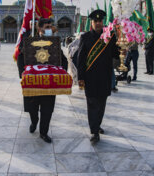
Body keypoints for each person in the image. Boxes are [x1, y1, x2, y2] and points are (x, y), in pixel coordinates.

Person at [17, 18, 68, 143]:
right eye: (47, 27)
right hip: (34, 83)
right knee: (32, 109)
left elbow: (63, 60)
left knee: (48, 109)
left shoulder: (54, 43)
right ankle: (34, 122)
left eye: (51, 26)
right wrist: (23, 73)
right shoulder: (30, 42)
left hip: (49, 82)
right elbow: (20, 58)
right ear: (39, 29)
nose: (49, 29)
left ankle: (43, 132)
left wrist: (62, 71)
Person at [77, 10, 119, 143]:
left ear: (103, 22)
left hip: (105, 77)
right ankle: (94, 131)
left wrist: (121, 54)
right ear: (91, 22)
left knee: (101, 104)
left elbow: (115, 54)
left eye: (100, 21)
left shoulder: (109, 37)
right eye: (95, 21)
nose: (98, 23)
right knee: (92, 104)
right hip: (90, 78)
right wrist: (80, 77)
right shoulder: (85, 37)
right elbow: (81, 59)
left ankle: (97, 124)